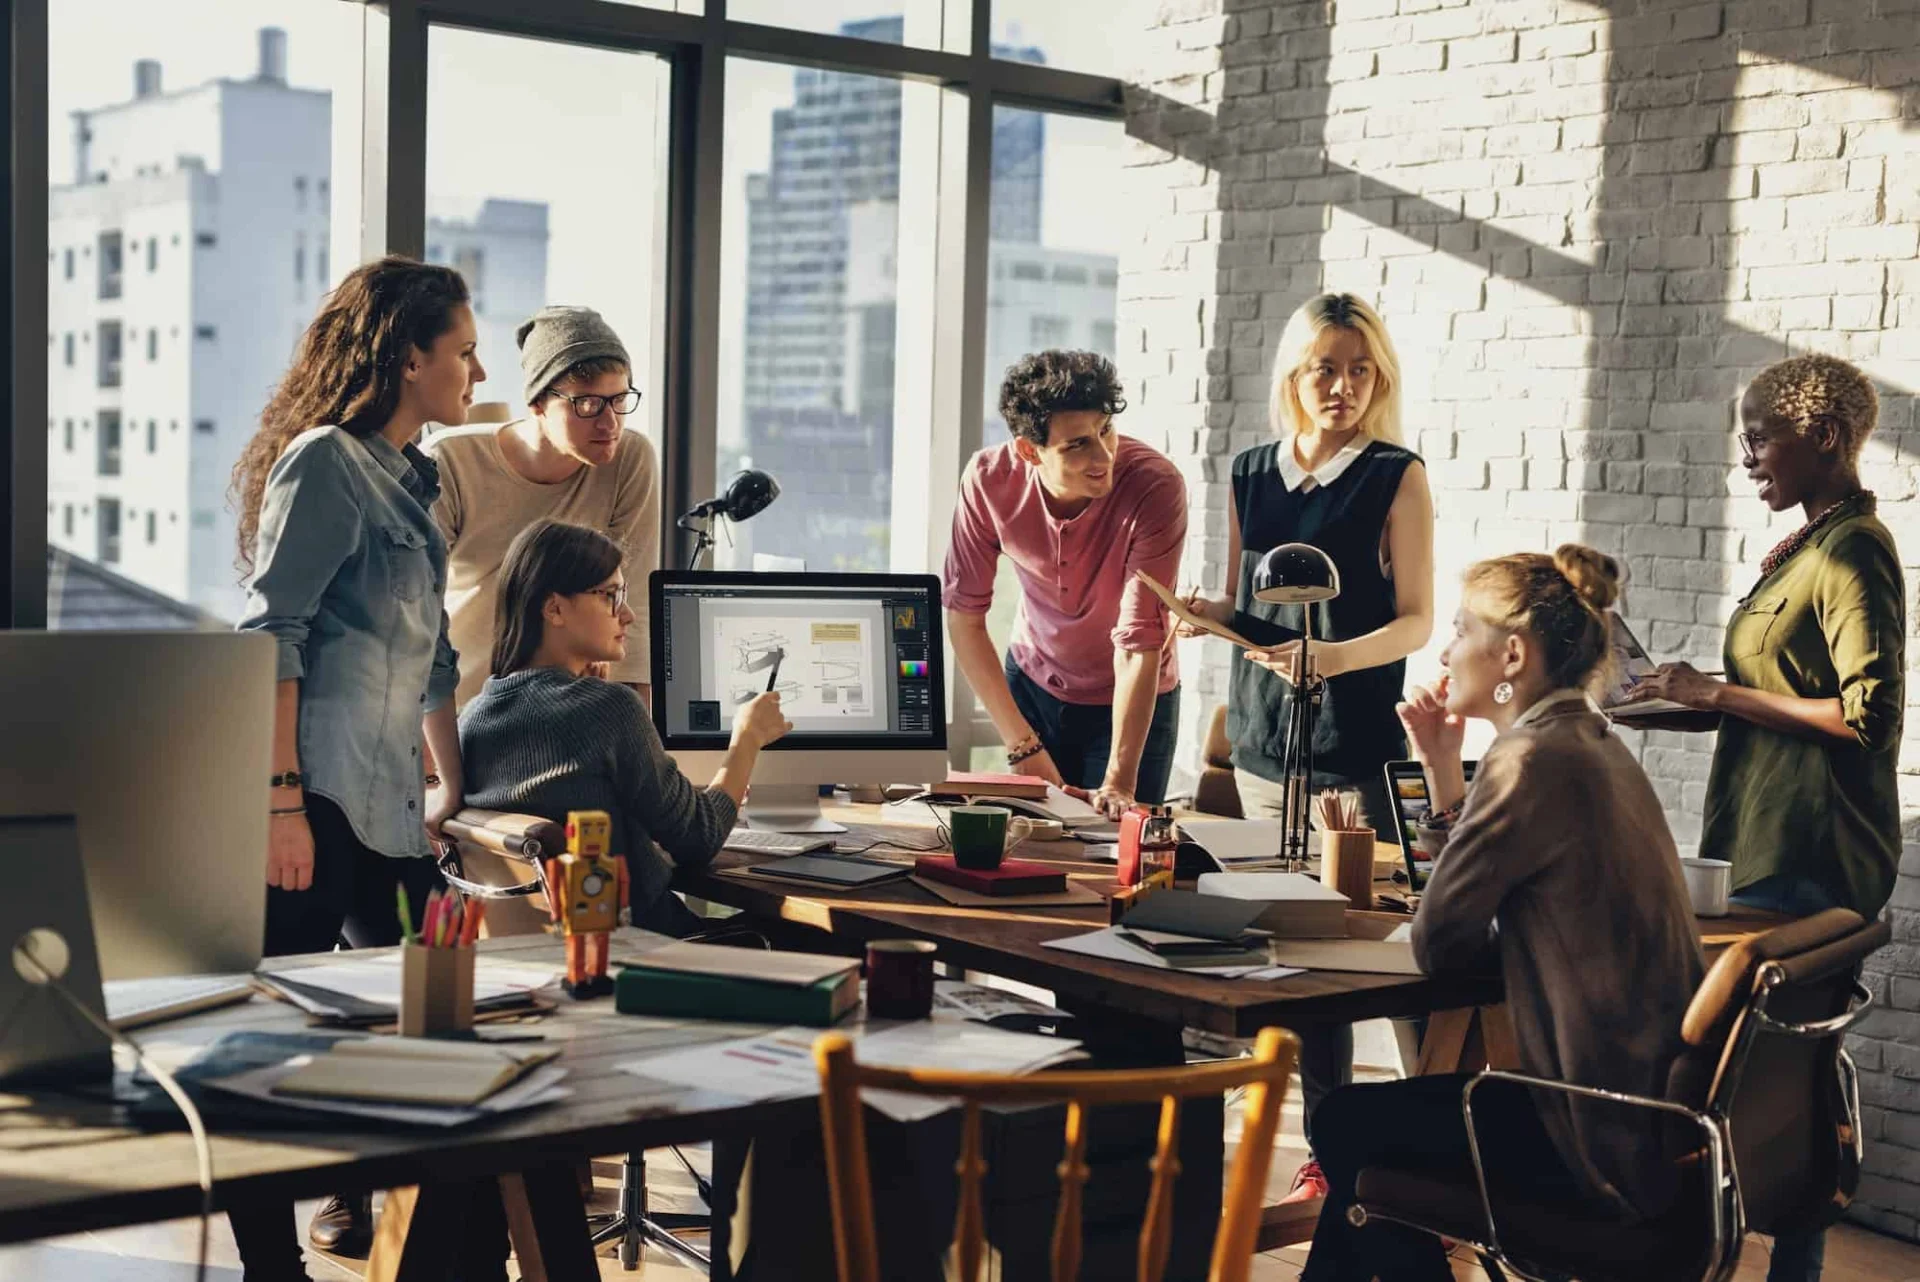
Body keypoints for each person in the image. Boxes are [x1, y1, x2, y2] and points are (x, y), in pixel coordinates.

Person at [1302, 546, 1705, 1281]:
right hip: (1648, 1120)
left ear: (1512, 654)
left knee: (1345, 1123)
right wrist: (1440, 771)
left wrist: (1452, 787)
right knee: (1365, 1165)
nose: (1447, 650)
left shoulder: (1526, 761)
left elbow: (1439, 943)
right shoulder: (1591, 743)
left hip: (1590, 1132)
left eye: (1459, 630)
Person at [229, 256, 482, 1276]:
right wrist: (278, 802)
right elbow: (273, 635)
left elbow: (436, 662)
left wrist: (449, 783)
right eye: (460, 351)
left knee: (438, 1020)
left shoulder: (416, 477)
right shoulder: (326, 462)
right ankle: (269, 1260)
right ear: (407, 355)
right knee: (260, 1044)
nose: (472, 369)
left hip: (390, 802)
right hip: (317, 793)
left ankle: (438, 1250)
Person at [1625, 354, 1902, 1282]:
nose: (1746, 458)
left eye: (1758, 437)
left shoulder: (1854, 551)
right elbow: (1770, 694)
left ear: (1821, 437)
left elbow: (1867, 719)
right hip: (1758, 844)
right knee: (1761, 1085)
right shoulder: (1806, 549)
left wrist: (1719, 693)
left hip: (1814, 857)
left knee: (1775, 1086)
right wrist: (1666, 699)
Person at [1176, 292, 1434, 1202]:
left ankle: (1413, 1148)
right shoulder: (1250, 470)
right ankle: (1330, 1148)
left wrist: (1329, 657)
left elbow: (1415, 623)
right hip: (1258, 737)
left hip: (1352, 736)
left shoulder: (1395, 473)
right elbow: (1259, 609)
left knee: (1359, 950)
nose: (1343, 386)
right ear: (1295, 373)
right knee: (1289, 950)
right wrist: (1213, 618)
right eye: (1325, 367)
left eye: (1361, 369)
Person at [459, 520, 792, 936]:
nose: (629, 614)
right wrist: (747, 738)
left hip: (553, 963)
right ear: (554, 608)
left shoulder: (472, 717)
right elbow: (699, 839)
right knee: (824, 939)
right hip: (653, 954)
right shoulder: (608, 709)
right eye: (611, 596)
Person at [943, 350, 1187, 815]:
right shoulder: (987, 480)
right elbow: (965, 619)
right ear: (1029, 450)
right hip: (1033, 682)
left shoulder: (1156, 487)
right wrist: (1021, 746)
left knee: (1119, 853)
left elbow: (1138, 642)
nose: (1103, 456)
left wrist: (1118, 781)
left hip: (1131, 698)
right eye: (1077, 444)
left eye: (1105, 431)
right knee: (1029, 846)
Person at [427, 305, 661, 709]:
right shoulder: (451, 462)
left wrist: (639, 743)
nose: (609, 424)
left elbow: (632, 603)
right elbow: (418, 617)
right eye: (587, 405)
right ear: (537, 403)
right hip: (462, 708)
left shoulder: (630, 458)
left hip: (565, 714)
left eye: (619, 400)